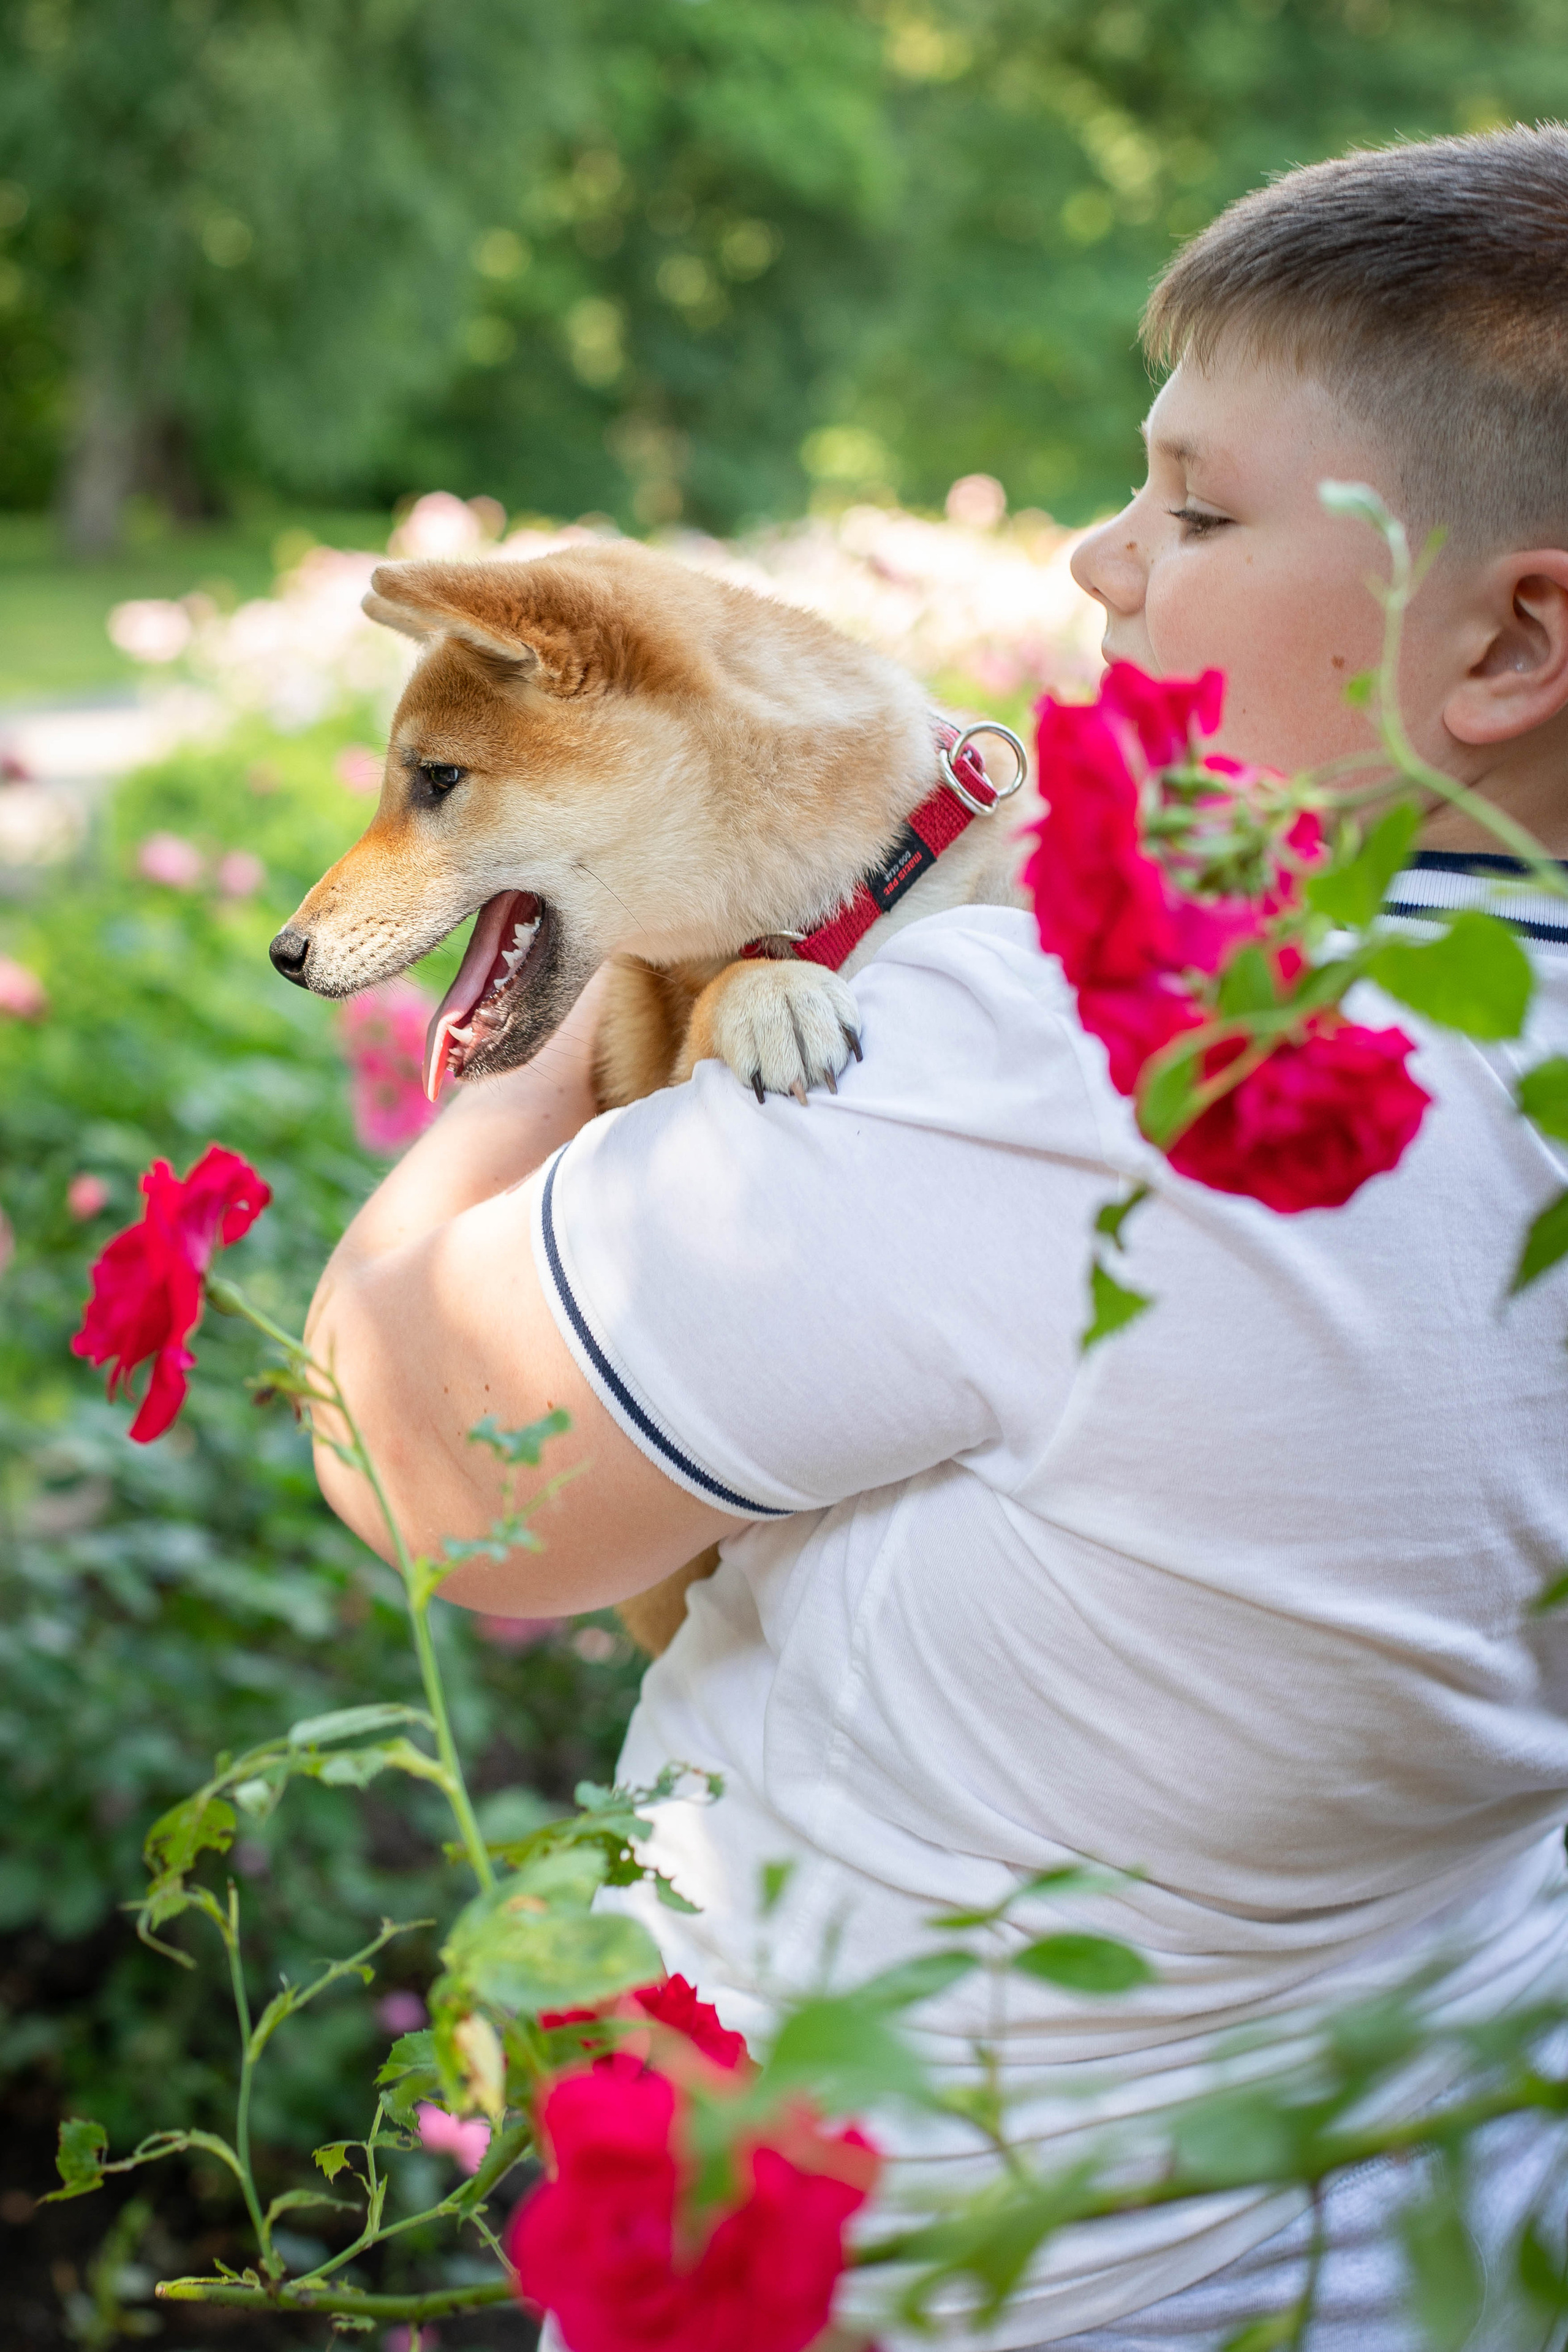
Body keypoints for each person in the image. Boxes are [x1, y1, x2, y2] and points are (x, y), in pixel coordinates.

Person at [307, 127, 1568, 2350]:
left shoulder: (1084, 1056)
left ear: (1511, 637)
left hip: (975, 2282)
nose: (1102, 558)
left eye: (1195, 507)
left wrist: (550, 1014)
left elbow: (429, 1472)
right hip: (1440, 2229)